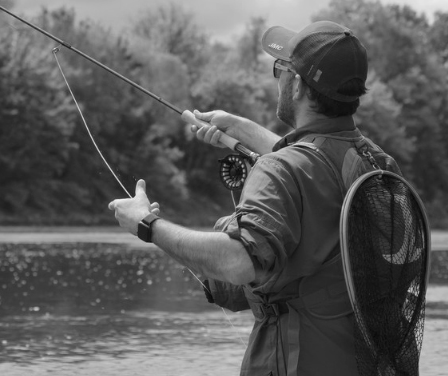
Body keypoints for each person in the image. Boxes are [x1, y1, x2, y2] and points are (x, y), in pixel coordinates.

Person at [109, 20, 401, 376]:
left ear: (296, 85)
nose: (277, 78)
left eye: (281, 69)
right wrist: (240, 127)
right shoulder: (377, 163)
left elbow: (239, 262)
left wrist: (147, 224)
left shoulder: (281, 170)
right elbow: (320, 156)